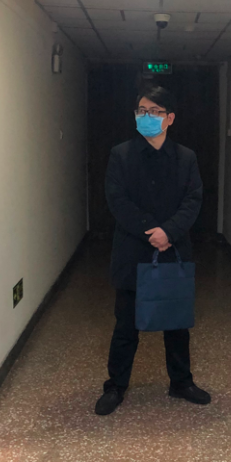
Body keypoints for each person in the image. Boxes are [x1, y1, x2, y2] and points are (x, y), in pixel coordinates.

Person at [96, 86, 209, 416]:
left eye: (155, 112)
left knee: (177, 325)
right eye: (141, 111)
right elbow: (117, 200)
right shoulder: (121, 155)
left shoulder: (186, 158)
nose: (146, 117)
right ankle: (115, 386)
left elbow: (193, 200)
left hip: (173, 251)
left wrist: (169, 231)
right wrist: (152, 232)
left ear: (170, 118)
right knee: (125, 326)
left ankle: (181, 382)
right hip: (133, 251)